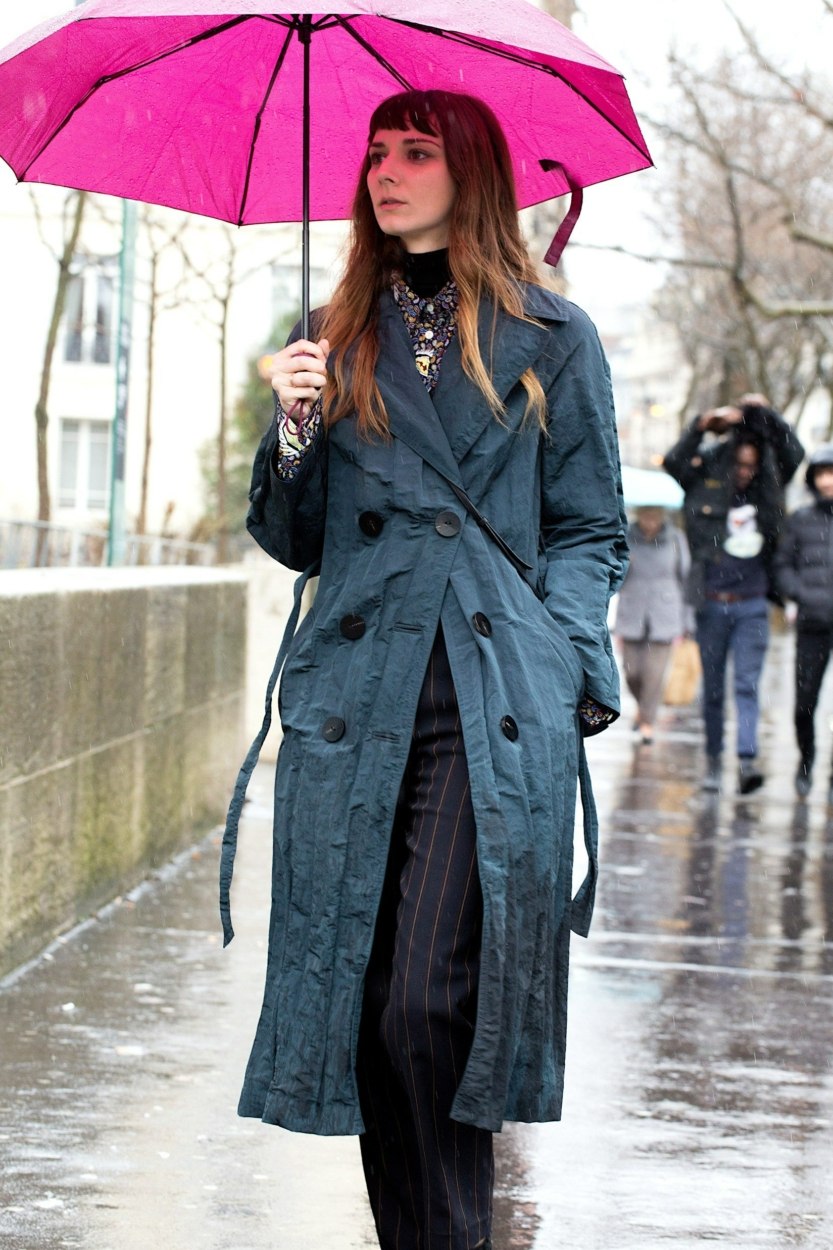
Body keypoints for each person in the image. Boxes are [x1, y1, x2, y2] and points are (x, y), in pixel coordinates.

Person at [220, 90, 627, 1250]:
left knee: (424, 1005)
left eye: (414, 152)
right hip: (358, 700)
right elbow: (293, 536)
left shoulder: (553, 334)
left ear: (473, 174)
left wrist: (558, 659)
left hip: (488, 698)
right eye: (375, 151)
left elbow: (592, 525)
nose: (384, 170)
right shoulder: (331, 330)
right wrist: (294, 427)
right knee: (364, 1003)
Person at [663, 395, 804, 794]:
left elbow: (795, 451)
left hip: (753, 606)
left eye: (751, 466)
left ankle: (746, 760)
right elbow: (674, 464)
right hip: (711, 602)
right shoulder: (706, 473)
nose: (745, 472)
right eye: (739, 465)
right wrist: (702, 424)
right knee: (712, 690)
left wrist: (763, 414)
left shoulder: (770, 484)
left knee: (746, 684)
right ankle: (712, 761)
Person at [774, 444, 833, 801]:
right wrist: (799, 593)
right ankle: (806, 762)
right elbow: (782, 565)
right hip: (812, 624)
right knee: (804, 703)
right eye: (822, 474)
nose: (828, 482)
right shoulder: (800, 520)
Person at [614, 505, 690, 743]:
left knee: (654, 675)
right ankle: (643, 709)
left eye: (655, 514)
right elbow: (615, 576)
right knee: (632, 672)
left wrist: (687, 621)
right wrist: (626, 561)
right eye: (646, 514)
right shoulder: (625, 537)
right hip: (632, 611)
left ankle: (647, 722)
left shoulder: (676, 539)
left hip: (665, 613)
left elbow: (685, 579)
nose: (650, 520)